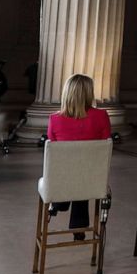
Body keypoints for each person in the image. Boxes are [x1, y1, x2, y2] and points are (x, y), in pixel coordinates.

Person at [46, 74, 112, 240]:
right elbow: (105, 146)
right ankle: (78, 225)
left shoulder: (54, 119)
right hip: (90, 177)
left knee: (71, 170)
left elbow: (54, 154)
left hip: (61, 178)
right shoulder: (102, 116)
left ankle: (60, 201)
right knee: (83, 172)